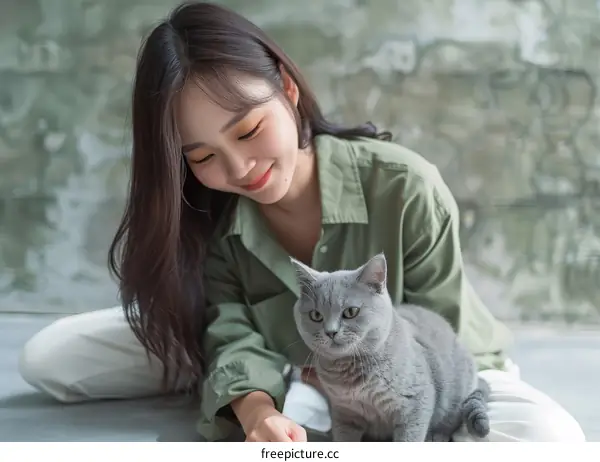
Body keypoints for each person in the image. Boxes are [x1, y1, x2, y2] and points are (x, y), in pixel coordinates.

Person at [18, 1, 585, 443]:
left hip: (422, 367)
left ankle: (255, 382)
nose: (240, 168)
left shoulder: (405, 186)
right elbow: (229, 323)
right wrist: (254, 406)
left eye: (246, 131)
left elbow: (443, 335)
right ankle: (240, 381)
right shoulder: (208, 214)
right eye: (202, 156)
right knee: (52, 358)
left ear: (287, 90)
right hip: (282, 352)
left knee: (548, 438)